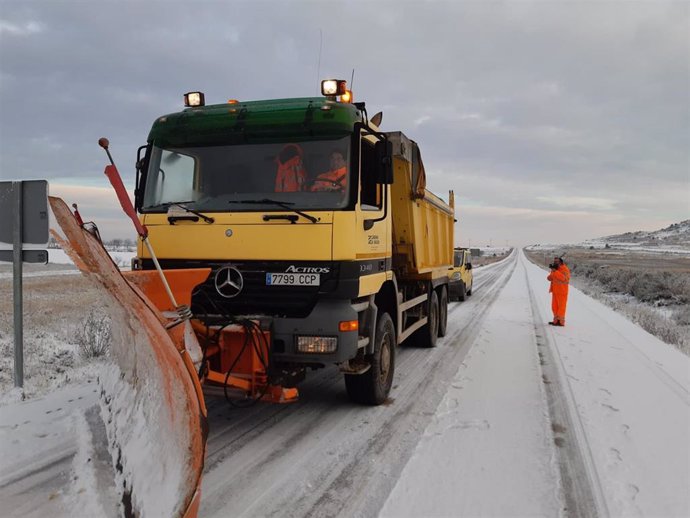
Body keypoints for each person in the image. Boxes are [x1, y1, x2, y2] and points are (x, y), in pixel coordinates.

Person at [547, 256, 570, 326]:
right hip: (555, 291)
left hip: (562, 291)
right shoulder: (555, 269)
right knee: (554, 307)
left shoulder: (565, 269)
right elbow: (550, 278)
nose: (555, 263)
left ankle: (561, 322)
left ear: (561, 262)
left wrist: (555, 271)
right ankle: (555, 321)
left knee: (561, 307)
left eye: (556, 261)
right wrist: (551, 274)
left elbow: (564, 279)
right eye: (554, 261)